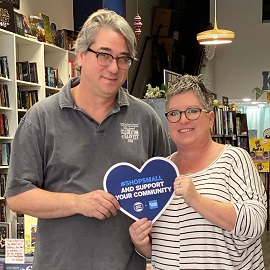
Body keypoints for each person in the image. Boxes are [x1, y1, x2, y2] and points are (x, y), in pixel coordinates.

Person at [4, 9, 170, 270]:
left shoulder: (146, 119)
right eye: (104, 55)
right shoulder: (41, 118)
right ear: (80, 55)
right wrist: (78, 202)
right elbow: (17, 196)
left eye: (123, 58)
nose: (114, 67)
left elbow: (165, 193)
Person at [129, 74, 267, 269]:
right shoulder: (160, 171)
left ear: (210, 119)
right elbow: (168, 247)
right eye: (174, 113)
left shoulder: (234, 159)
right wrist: (143, 243)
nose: (183, 120)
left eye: (192, 111)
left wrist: (197, 200)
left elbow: (255, 224)